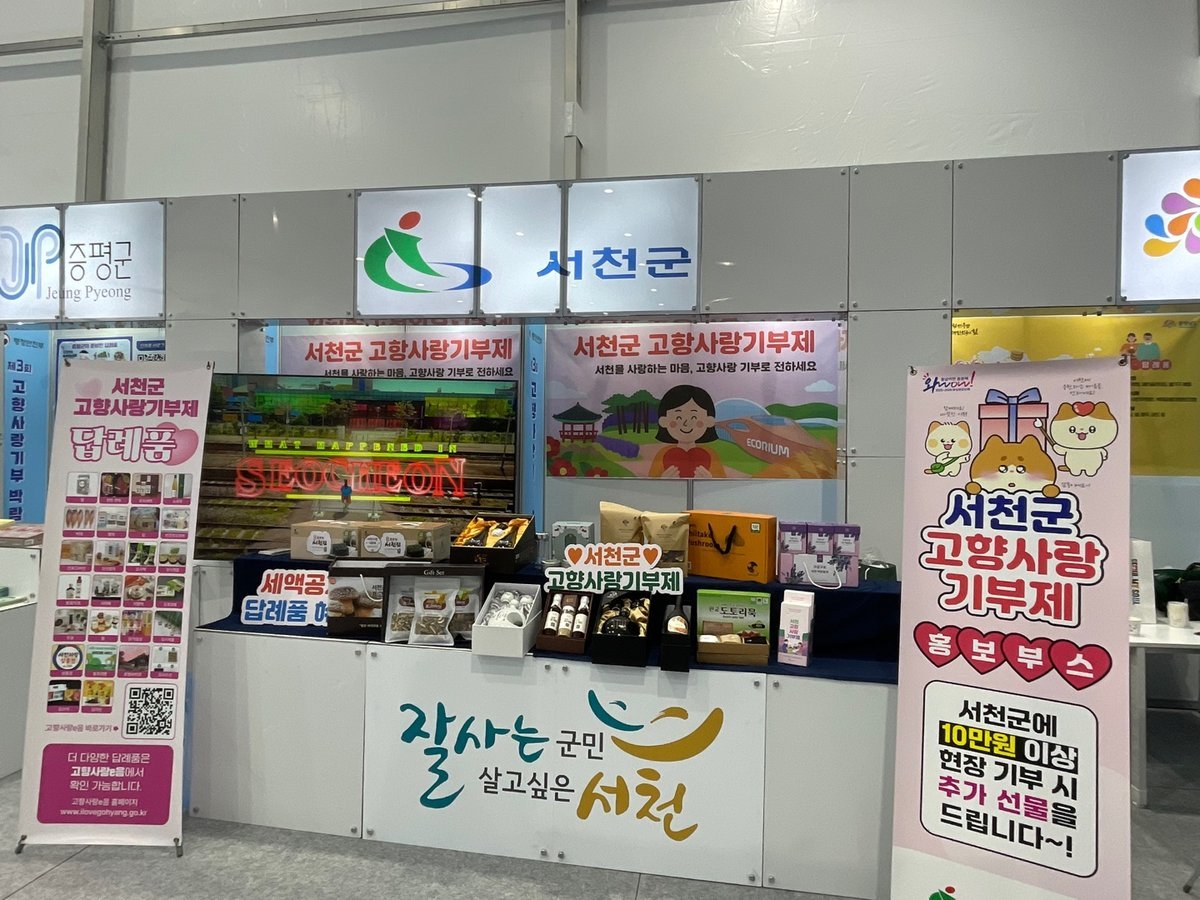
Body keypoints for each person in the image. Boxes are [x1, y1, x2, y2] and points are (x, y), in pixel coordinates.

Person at [648, 384, 726, 478]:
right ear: (664, 421)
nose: (686, 423)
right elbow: (651, 479)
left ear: (709, 421)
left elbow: (722, 480)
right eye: (678, 417)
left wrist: (709, 480)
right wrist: (663, 480)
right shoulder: (663, 454)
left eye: (694, 417)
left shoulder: (710, 454)